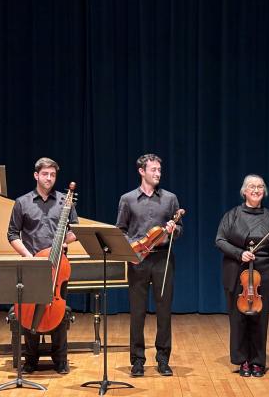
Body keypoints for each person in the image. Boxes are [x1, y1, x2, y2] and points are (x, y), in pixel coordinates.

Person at [6, 157, 77, 375]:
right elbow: (12, 234)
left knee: (59, 311)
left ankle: (60, 359)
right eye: (45, 174)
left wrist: (64, 242)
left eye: (53, 174)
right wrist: (29, 257)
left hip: (59, 265)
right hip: (34, 266)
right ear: (36, 175)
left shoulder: (65, 201)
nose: (49, 178)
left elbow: (74, 231)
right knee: (29, 312)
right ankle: (31, 359)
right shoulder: (22, 202)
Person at [116, 153, 182, 377]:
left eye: (159, 170)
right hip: (138, 260)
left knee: (164, 312)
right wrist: (133, 247)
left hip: (163, 259)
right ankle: (137, 361)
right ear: (142, 171)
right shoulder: (127, 199)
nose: (158, 174)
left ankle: (163, 359)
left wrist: (174, 230)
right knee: (137, 313)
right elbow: (121, 230)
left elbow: (179, 229)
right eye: (153, 170)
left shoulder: (170, 199)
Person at [215, 174, 269, 378]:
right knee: (238, 319)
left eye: (260, 187)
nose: (256, 190)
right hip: (237, 272)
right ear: (244, 191)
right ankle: (242, 360)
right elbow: (220, 240)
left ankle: (257, 361)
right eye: (252, 187)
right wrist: (240, 253)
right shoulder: (232, 215)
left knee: (259, 319)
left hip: (263, 273)